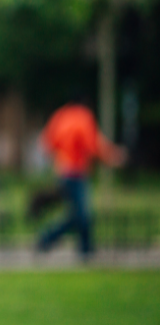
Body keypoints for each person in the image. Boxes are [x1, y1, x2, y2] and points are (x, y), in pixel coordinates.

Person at [37, 101, 127, 258]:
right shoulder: (83, 117)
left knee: (78, 213)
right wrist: (112, 156)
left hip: (62, 170)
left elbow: (48, 143)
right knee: (80, 214)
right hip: (77, 171)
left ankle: (83, 246)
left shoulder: (60, 115)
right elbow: (93, 144)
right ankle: (51, 238)